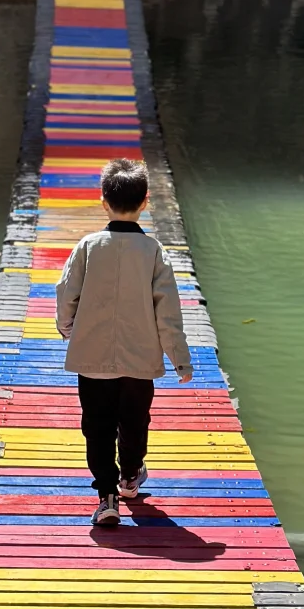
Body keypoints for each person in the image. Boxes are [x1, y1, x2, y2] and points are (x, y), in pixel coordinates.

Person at [55, 157, 193, 527]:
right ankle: (130, 476)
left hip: (93, 355)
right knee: (134, 421)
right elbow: (168, 311)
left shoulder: (88, 246)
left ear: (104, 202)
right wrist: (180, 359)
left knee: (97, 425)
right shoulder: (154, 252)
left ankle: (106, 496)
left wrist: (68, 329)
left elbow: (66, 292)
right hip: (139, 357)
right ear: (145, 202)